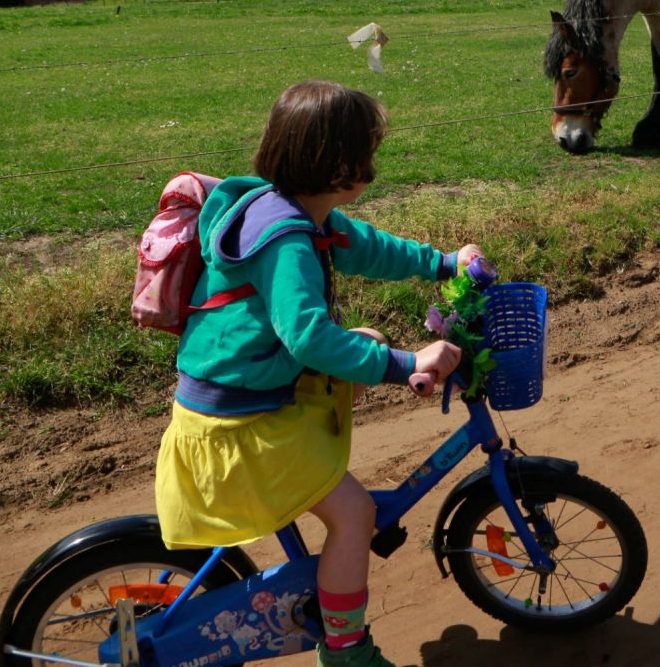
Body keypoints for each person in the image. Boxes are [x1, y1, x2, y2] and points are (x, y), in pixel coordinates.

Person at [155, 80, 481, 667]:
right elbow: (305, 334)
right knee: (353, 515)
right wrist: (409, 364)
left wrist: (441, 262)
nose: (373, 166)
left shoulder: (299, 210)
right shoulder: (286, 240)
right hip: (237, 426)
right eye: (367, 155)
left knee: (369, 340)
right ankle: (347, 651)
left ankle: (323, 487)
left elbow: (369, 247)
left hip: (248, 393)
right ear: (338, 166)